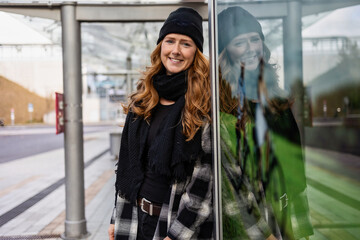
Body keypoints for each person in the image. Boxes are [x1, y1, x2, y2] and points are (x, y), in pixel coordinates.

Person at [108, 7, 213, 240]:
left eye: (186, 44)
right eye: (170, 41)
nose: (176, 50)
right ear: (160, 47)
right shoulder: (143, 100)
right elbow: (126, 164)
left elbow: (203, 186)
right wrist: (116, 216)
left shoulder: (201, 106)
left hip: (172, 223)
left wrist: (175, 235)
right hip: (133, 217)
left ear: (196, 52)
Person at [217, 6, 313, 240]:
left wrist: (300, 230)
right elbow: (230, 186)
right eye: (240, 42)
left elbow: (295, 174)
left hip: (283, 214)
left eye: (255, 39)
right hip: (244, 222)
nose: (251, 49)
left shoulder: (277, 100)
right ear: (225, 51)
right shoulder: (221, 108)